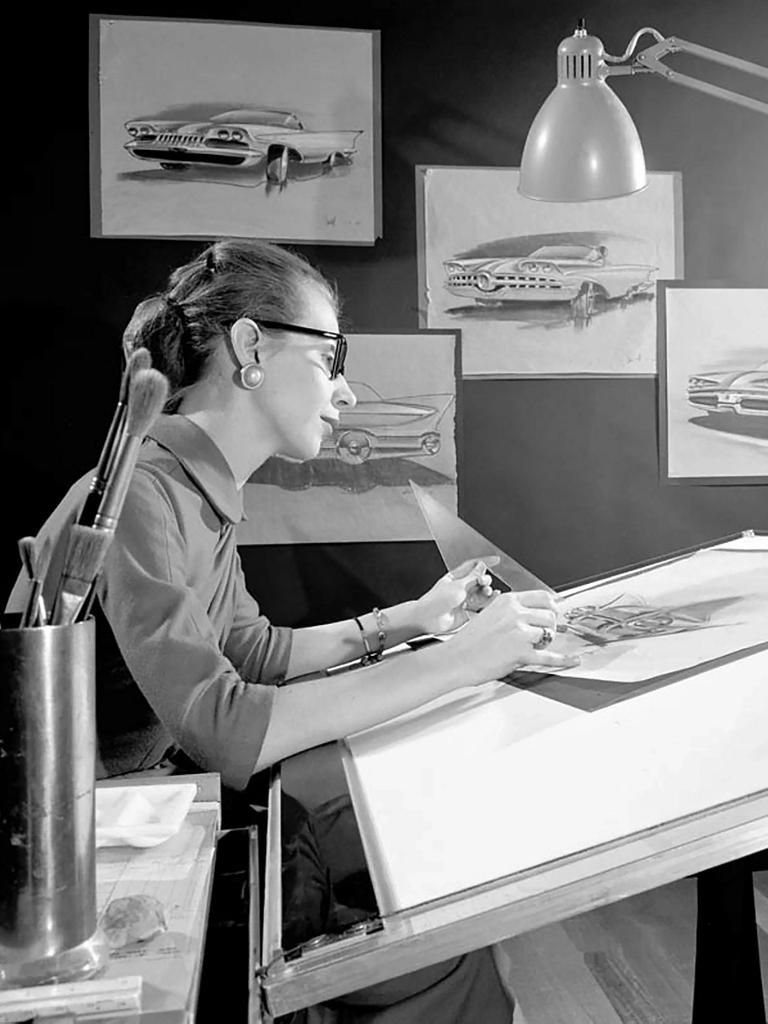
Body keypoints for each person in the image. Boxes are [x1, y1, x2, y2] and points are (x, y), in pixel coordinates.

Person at [9, 239, 579, 1022]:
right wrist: (460, 664)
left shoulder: (192, 486)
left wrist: (408, 622)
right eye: (329, 355)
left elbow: (254, 652)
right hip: (67, 873)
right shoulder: (139, 493)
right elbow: (221, 725)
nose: (343, 391)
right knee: (427, 959)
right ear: (250, 347)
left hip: (145, 821)